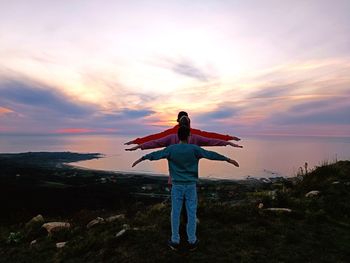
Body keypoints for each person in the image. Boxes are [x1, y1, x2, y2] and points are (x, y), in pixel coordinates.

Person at [132, 126, 239, 251]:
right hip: (190, 186)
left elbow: (156, 154)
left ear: (178, 136)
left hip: (177, 185)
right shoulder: (194, 149)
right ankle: (192, 240)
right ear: (189, 136)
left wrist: (141, 158)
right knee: (191, 213)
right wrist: (228, 159)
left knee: (175, 213)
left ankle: (175, 240)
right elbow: (211, 154)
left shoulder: (171, 149)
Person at [125, 111, 240, 145]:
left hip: (178, 174)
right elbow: (210, 137)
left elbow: (154, 138)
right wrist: (229, 138)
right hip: (188, 175)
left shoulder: (172, 133)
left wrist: (229, 138)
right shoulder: (193, 133)